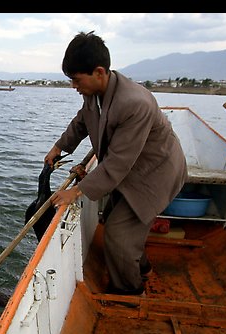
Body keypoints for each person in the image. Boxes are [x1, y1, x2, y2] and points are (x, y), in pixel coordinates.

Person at [46, 31, 188, 296]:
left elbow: (118, 163)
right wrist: (59, 147)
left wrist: (76, 191)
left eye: (76, 80)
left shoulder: (135, 103)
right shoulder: (94, 92)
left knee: (118, 234)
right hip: (132, 169)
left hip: (156, 173)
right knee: (114, 219)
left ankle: (130, 294)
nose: (73, 86)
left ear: (99, 72)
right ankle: (143, 268)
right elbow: (82, 122)